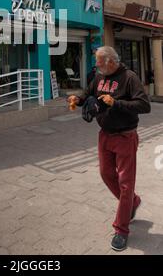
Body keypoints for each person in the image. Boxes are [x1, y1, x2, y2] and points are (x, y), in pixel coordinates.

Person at [68, 46, 151, 252]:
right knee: (106, 174)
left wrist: (116, 103)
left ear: (111, 61)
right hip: (105, 135)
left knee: (125, 183)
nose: (96, 65)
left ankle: (121, 230)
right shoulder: (99, 78)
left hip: (125, 136)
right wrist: (76, 100)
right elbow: (87, 94)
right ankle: (133, 202)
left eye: (99, 61)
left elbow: (144, 105)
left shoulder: (130, 78)